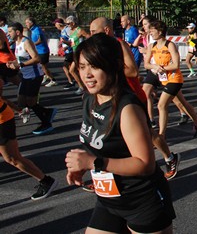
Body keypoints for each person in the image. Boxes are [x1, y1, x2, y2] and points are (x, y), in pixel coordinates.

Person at [65, 34, 176, 233]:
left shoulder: (127, 108)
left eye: (94, 66)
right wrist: (81, 164)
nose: (87, 74)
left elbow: (145, 164)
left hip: (142, 202)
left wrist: (93, 162)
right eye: (82, 67)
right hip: (109, 200)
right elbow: (101, 144)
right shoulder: (90, 99)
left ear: (114, 66)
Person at [0, 92, 57, 200]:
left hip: (2, 121)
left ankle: (46, 181)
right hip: (4, 117)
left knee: (13, 158)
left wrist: (17, 109)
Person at [7, 22, 58, 134]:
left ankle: (46, 123)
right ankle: (47, 112)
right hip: (26, 76)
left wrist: (20, 65)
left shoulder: (26, 42)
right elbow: (21, 59)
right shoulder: (17, 42)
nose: (8, 33)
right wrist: (13, 62)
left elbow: (36, 59)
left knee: (30, 102)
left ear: (17, 32)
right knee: (21, 102)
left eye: (10, 31)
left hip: (34, 76)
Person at [25, 17, 56, 87]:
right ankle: (45, 75)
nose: (26, 24)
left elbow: (40, 40)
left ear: (31, 23)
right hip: (38, 51)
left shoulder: (37, 30)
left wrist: (32, 45)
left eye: (27, 22)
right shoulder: (33, 30)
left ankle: (53, 80)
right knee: (40, 66)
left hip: (43, 51)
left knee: (44, 67)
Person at [65, 15, 88, 95]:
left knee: (72, 70)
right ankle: (83, 86)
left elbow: (89, 37)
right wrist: (64, 42)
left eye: (68, 24)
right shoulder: (71, 31)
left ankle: (82, 87)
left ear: (73, 23)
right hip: (74, 52)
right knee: (75, 70)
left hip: (80, 53)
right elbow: (71, 43)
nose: (67, 25)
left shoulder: (80, 30)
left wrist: (84, 46)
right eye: (66, 24)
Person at [55, 18, 78, 90]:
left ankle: (71, 81)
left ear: (59, 24)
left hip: (70, 51)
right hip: (67, 51)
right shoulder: (62, 31)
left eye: (56, 24)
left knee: (65, 66)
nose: (55, 25)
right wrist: (60, 44)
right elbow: (63, 39)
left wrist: (67, 46)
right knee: (72, 68)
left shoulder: (67, 30)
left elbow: (71, 39)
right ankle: (75, 81)